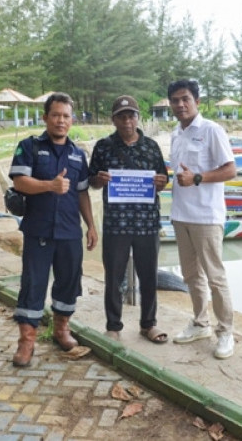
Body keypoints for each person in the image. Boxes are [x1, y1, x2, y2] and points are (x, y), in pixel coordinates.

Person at [8, 92, 98, 367]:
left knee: (69, 282)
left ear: (72, 120)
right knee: (33, 284)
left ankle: (62, 330)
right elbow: (20, 182)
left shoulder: (77, 154)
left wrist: (91, 226)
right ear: (46, 117)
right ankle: (27, 342)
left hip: (70, 231)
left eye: (66, 116)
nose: (61, 121)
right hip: (39, 230)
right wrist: (49, 185)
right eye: (56, 115)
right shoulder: (30, 147)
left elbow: (83, 193)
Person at [88, 95, 169, 343]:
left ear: (138, 118)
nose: (127, 121)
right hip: (116, 224)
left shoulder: (152, 147)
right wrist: (98, 180)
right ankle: (113, 326)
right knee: (114, 276)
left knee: (148, 276)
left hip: (147, 224)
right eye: (121, 116)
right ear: (114, 120)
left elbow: (163, 180)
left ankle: (148, 324)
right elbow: (90, 181)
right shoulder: (103, 147)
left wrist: (161, 182)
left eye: (131, 115)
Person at [167, 79, 237, 359]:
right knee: (191, 276)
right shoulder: (175, 134)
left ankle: (226, 332)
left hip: (206, 217)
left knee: (215, 277)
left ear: (197, 101)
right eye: (175, 100)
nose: (180, 104)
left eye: (185, 99)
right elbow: (177, 173)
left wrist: (197, 177)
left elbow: (230, 170)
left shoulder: (211, 131)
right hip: (180, 215)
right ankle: (200, 323)